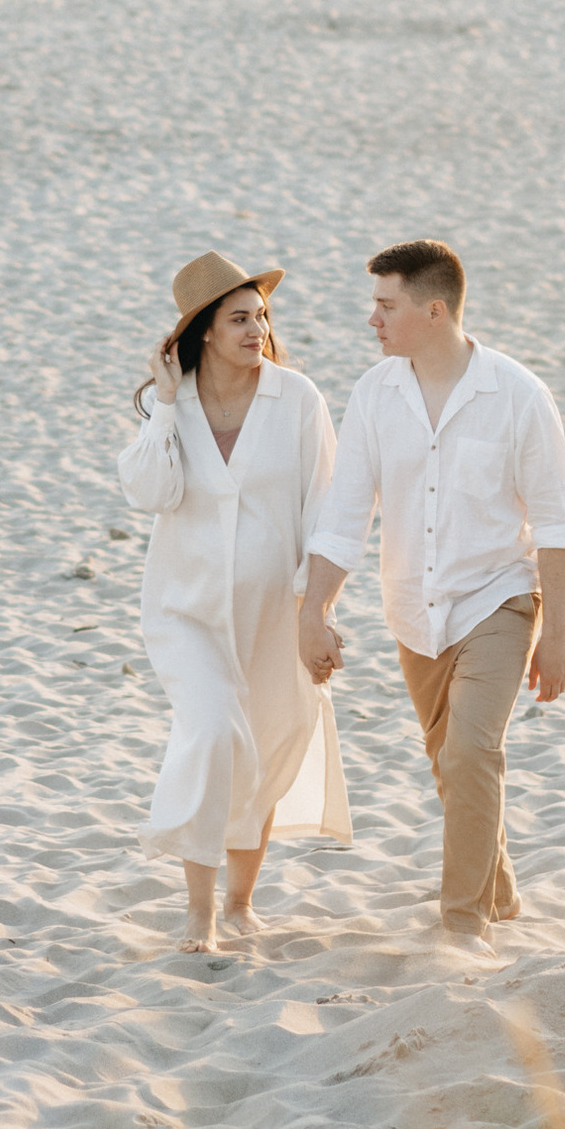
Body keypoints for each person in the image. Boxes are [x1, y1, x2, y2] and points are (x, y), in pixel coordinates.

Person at [299, 240, 565, 943]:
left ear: (434, 311)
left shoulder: (518, 396)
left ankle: (462, 927)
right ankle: (499, 893)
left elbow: (556, 522)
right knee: (451, 763)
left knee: (470, 754)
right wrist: (315, 611)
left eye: (386, 306)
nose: (373, 320)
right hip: (414, 611)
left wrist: (557, 633)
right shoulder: (375, 394)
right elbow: (345, 515)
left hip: (498, 600)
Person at [118, 248, 350, 955]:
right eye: (239, 319)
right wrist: (164, 404)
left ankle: (242, 902)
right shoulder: (176, 405)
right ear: (205, 332)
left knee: (268, 745)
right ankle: (200, 914)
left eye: (261, 316)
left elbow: (328, 510)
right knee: (215, 735)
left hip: (278, 614)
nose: (257, 330)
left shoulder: (297, 399)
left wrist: (317, 612)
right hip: (185, 614)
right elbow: (149, 493)